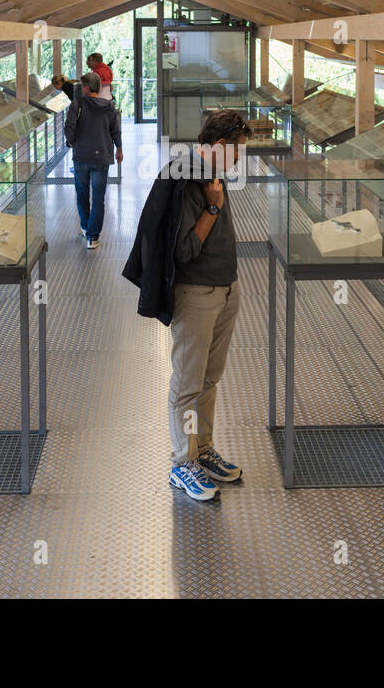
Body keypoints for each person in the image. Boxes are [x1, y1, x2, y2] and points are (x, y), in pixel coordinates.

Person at [122, 109, 250, 502]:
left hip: (225, 289)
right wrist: (212, 209)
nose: (239, 160)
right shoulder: (185, 178)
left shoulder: (212, 174)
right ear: (217, 146)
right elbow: (182, 250)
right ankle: (183, 462)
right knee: (187, 383)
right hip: (196, 295)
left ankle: (203, 449)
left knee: (209, 379)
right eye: (236, 151)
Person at [65, 71, 122, 249]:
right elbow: (115, 130)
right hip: (102, 157)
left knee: (82, 194)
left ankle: (84, 226)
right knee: (99, 198)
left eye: (82, 86)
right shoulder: (109, 106)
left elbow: (70, 126)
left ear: (87, 88)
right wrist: (119, 148)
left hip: (81, 156)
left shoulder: (77, 104)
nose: (81, 89)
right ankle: (93, 237)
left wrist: (71, 141)